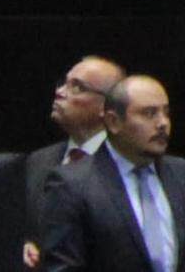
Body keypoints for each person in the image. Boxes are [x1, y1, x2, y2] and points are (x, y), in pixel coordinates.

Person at [35, 74, 185, 272]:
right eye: (149, 113)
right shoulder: (72, 184)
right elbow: (62, 267)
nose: (162, 123)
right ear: (113, 122)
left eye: (166, 113)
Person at [20, 56, 123, 272]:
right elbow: (23, 227)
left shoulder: (125, 164)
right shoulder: (39, 161)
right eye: (64, 83)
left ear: (106, 107)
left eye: (77, 87)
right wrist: (21, 245)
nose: (60, 92)